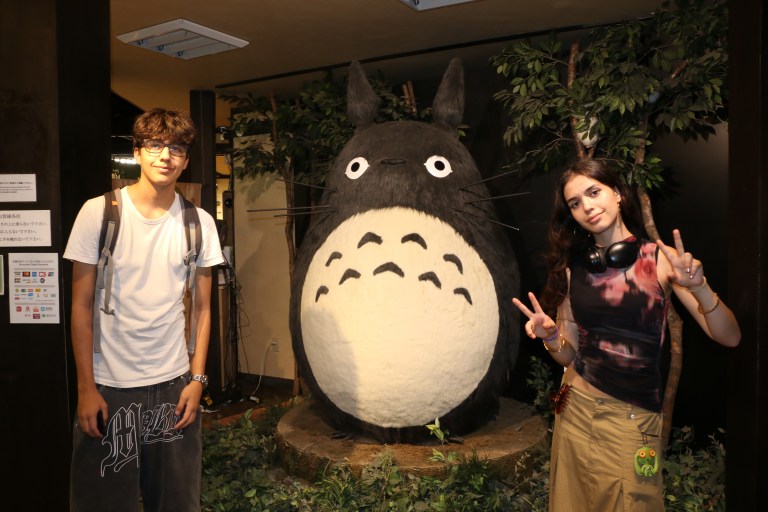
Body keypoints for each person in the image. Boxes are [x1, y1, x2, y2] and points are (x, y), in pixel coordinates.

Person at [512, 158, 740, 512]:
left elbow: (730, 337)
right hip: (574, 410)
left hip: (632, 421)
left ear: (617, 193)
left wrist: (699, 287)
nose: (587, 206)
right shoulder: (573, 269)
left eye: (594, 192)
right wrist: (551, 336)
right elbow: (568, 356)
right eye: (575, 202)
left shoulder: (660, 259)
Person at [65, 108, 224, 512]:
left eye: (176, 148)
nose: (165, 156)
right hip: (109, 387)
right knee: (101, 504)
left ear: (185, 160)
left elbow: (203, 308)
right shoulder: (99, 212)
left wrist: (197, 380)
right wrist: (86, 389)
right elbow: (80, 305)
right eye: (154, 145)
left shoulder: (198, 222)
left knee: (176, 503)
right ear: (137, 152)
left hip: (174, 387)